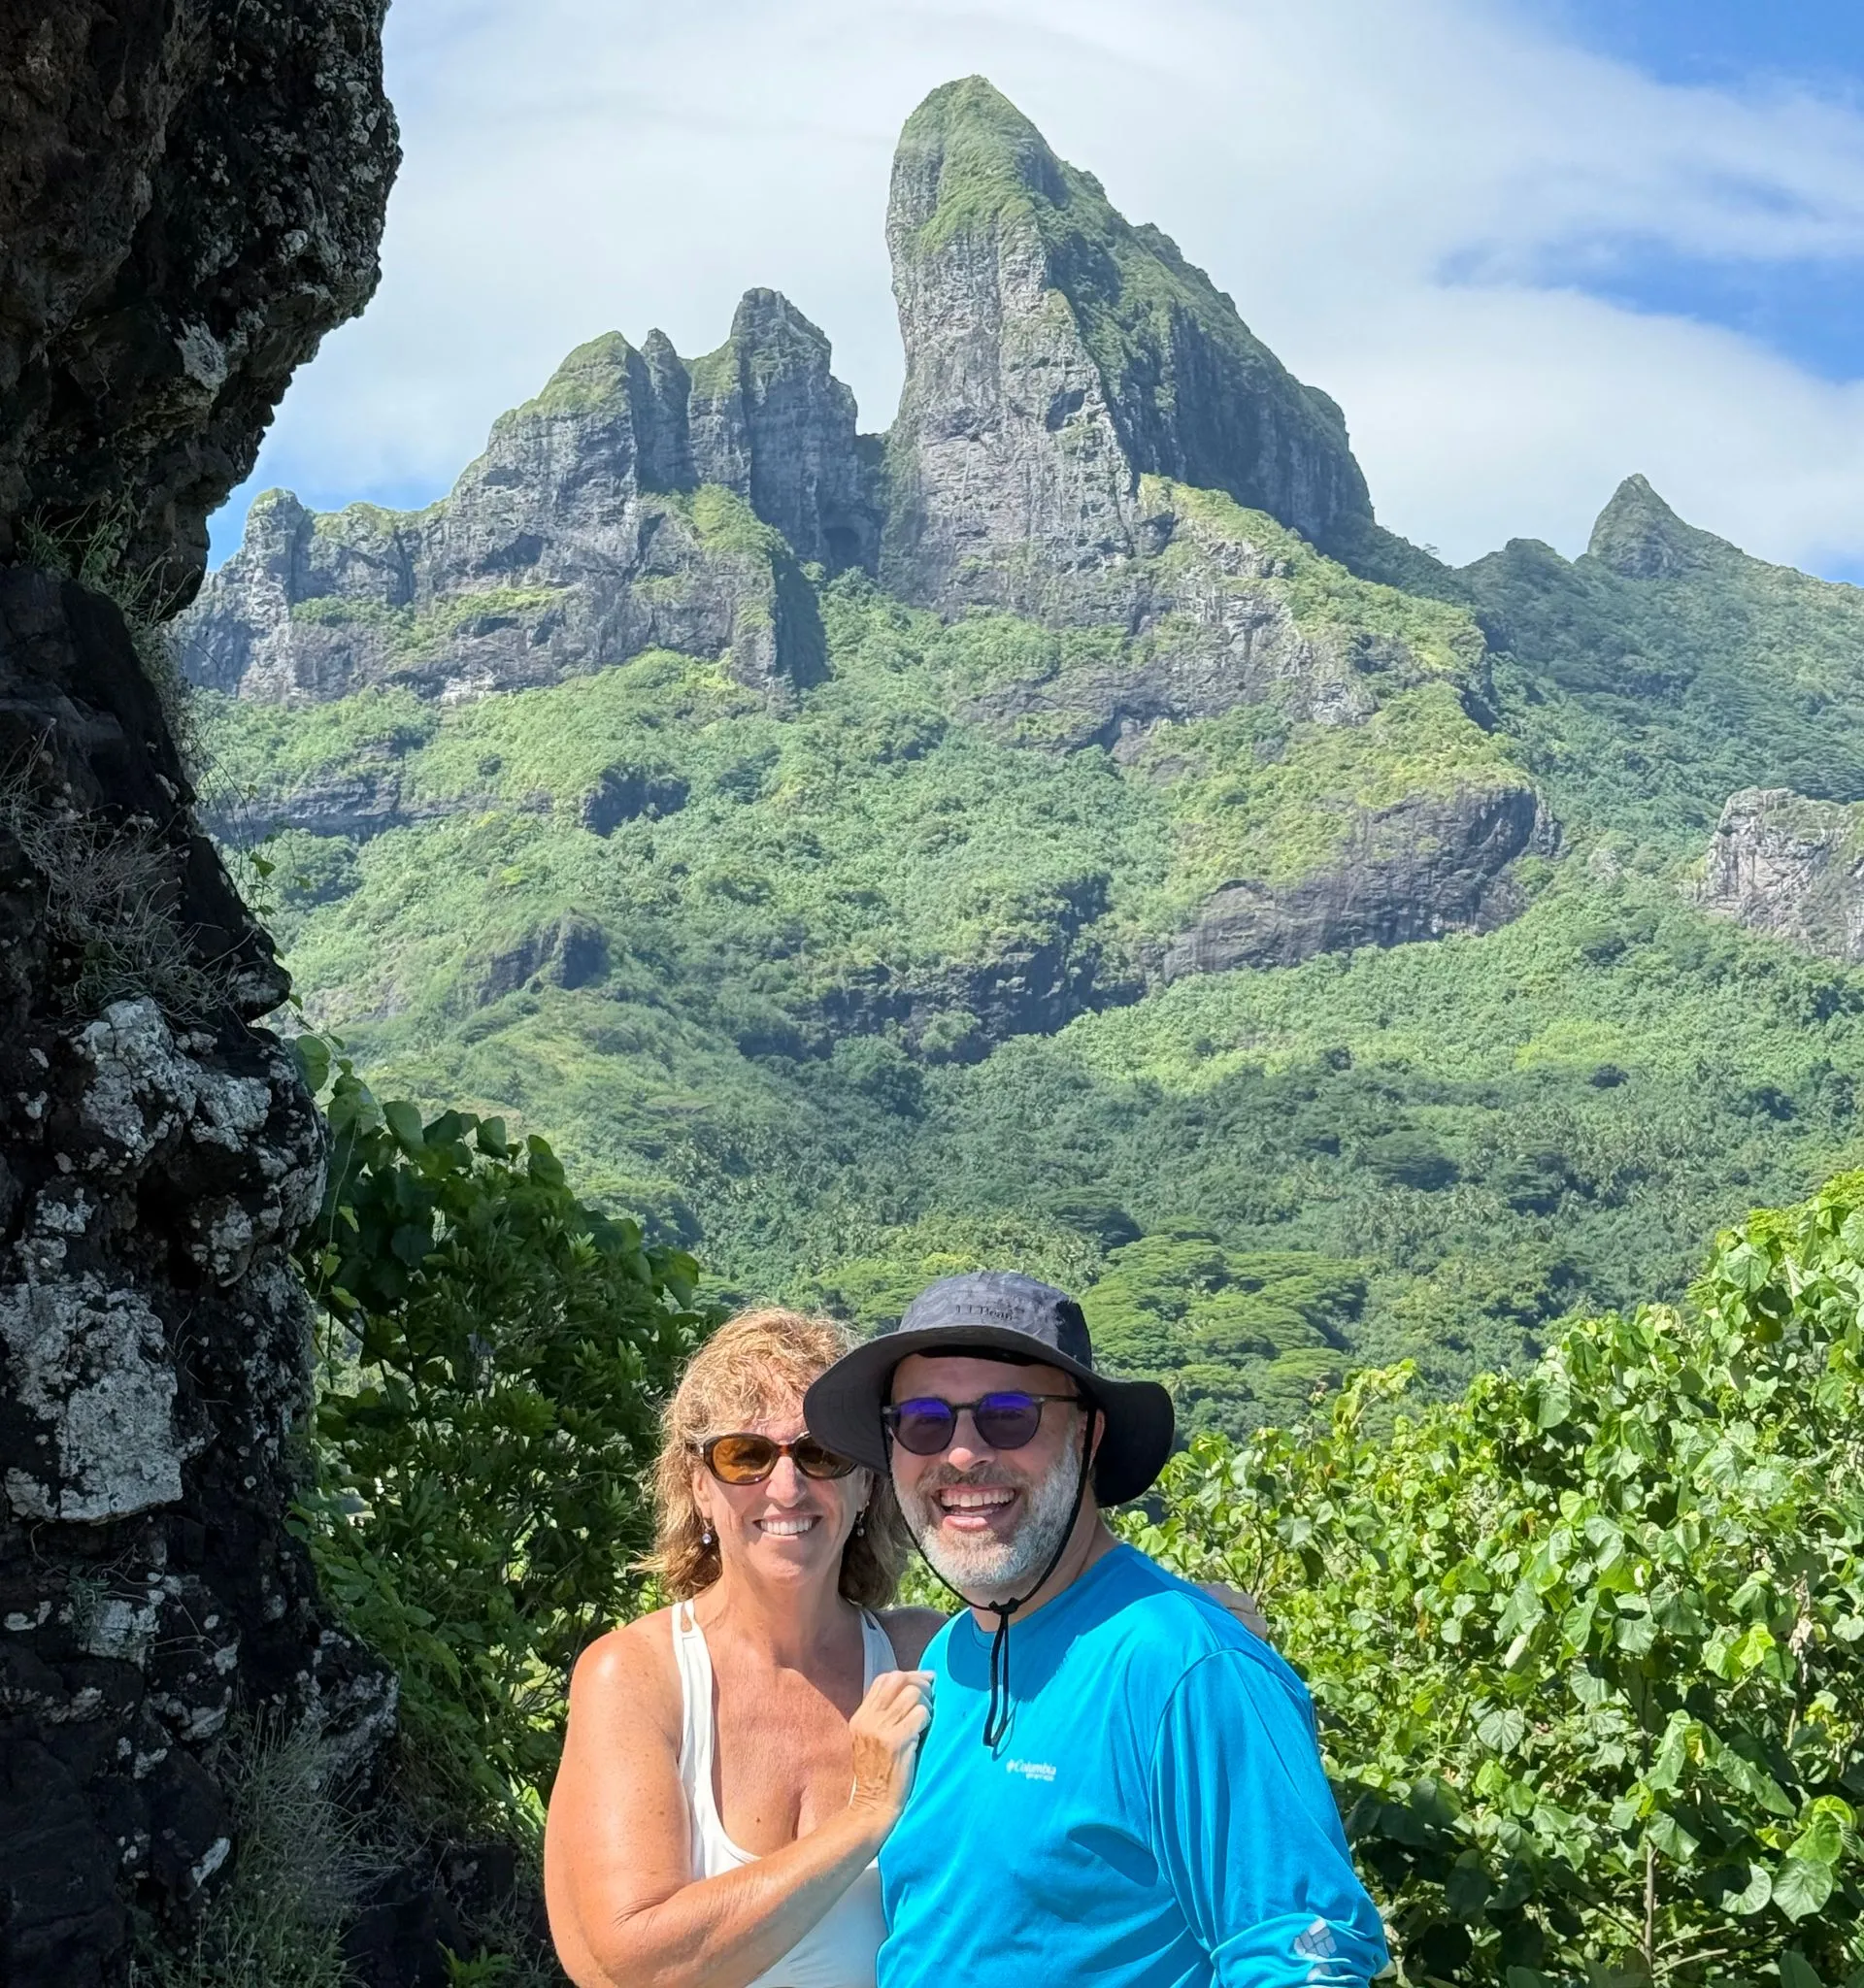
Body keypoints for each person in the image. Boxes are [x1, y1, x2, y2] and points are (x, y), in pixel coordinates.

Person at [804, 1270, 1389, 1988]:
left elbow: (1302, 1959)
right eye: (924, 1421)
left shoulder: (1186, 1664)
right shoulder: (954, 1654)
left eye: (1007, 1415)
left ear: (1088, 1433)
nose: (960, 1454)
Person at [544, 1309, 945, 1988]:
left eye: (821, 1453)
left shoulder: (924, 1656)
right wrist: (866, 1815)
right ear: (698, 1486)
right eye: (744, 1456)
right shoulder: (639, 1678)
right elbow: (643, 1959)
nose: (785, 1487)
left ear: (867, 1481)